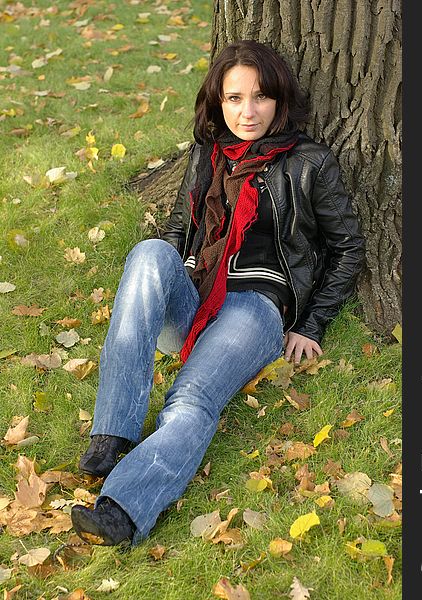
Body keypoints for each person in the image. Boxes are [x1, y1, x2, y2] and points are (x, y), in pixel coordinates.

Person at [71, 40, 365, 546]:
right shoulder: (207, 154)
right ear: (218, 102)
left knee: (192, 397)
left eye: (259, 97)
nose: (247, 111)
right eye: (234, 99)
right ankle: (112, 433)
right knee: (147, 252)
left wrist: (310, 324)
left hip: (254, 309)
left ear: (280, 101)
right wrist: (170, 274)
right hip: (195, 299)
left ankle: (123, 507)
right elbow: (178, 229)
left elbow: (347, 247)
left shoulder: (310, 162)